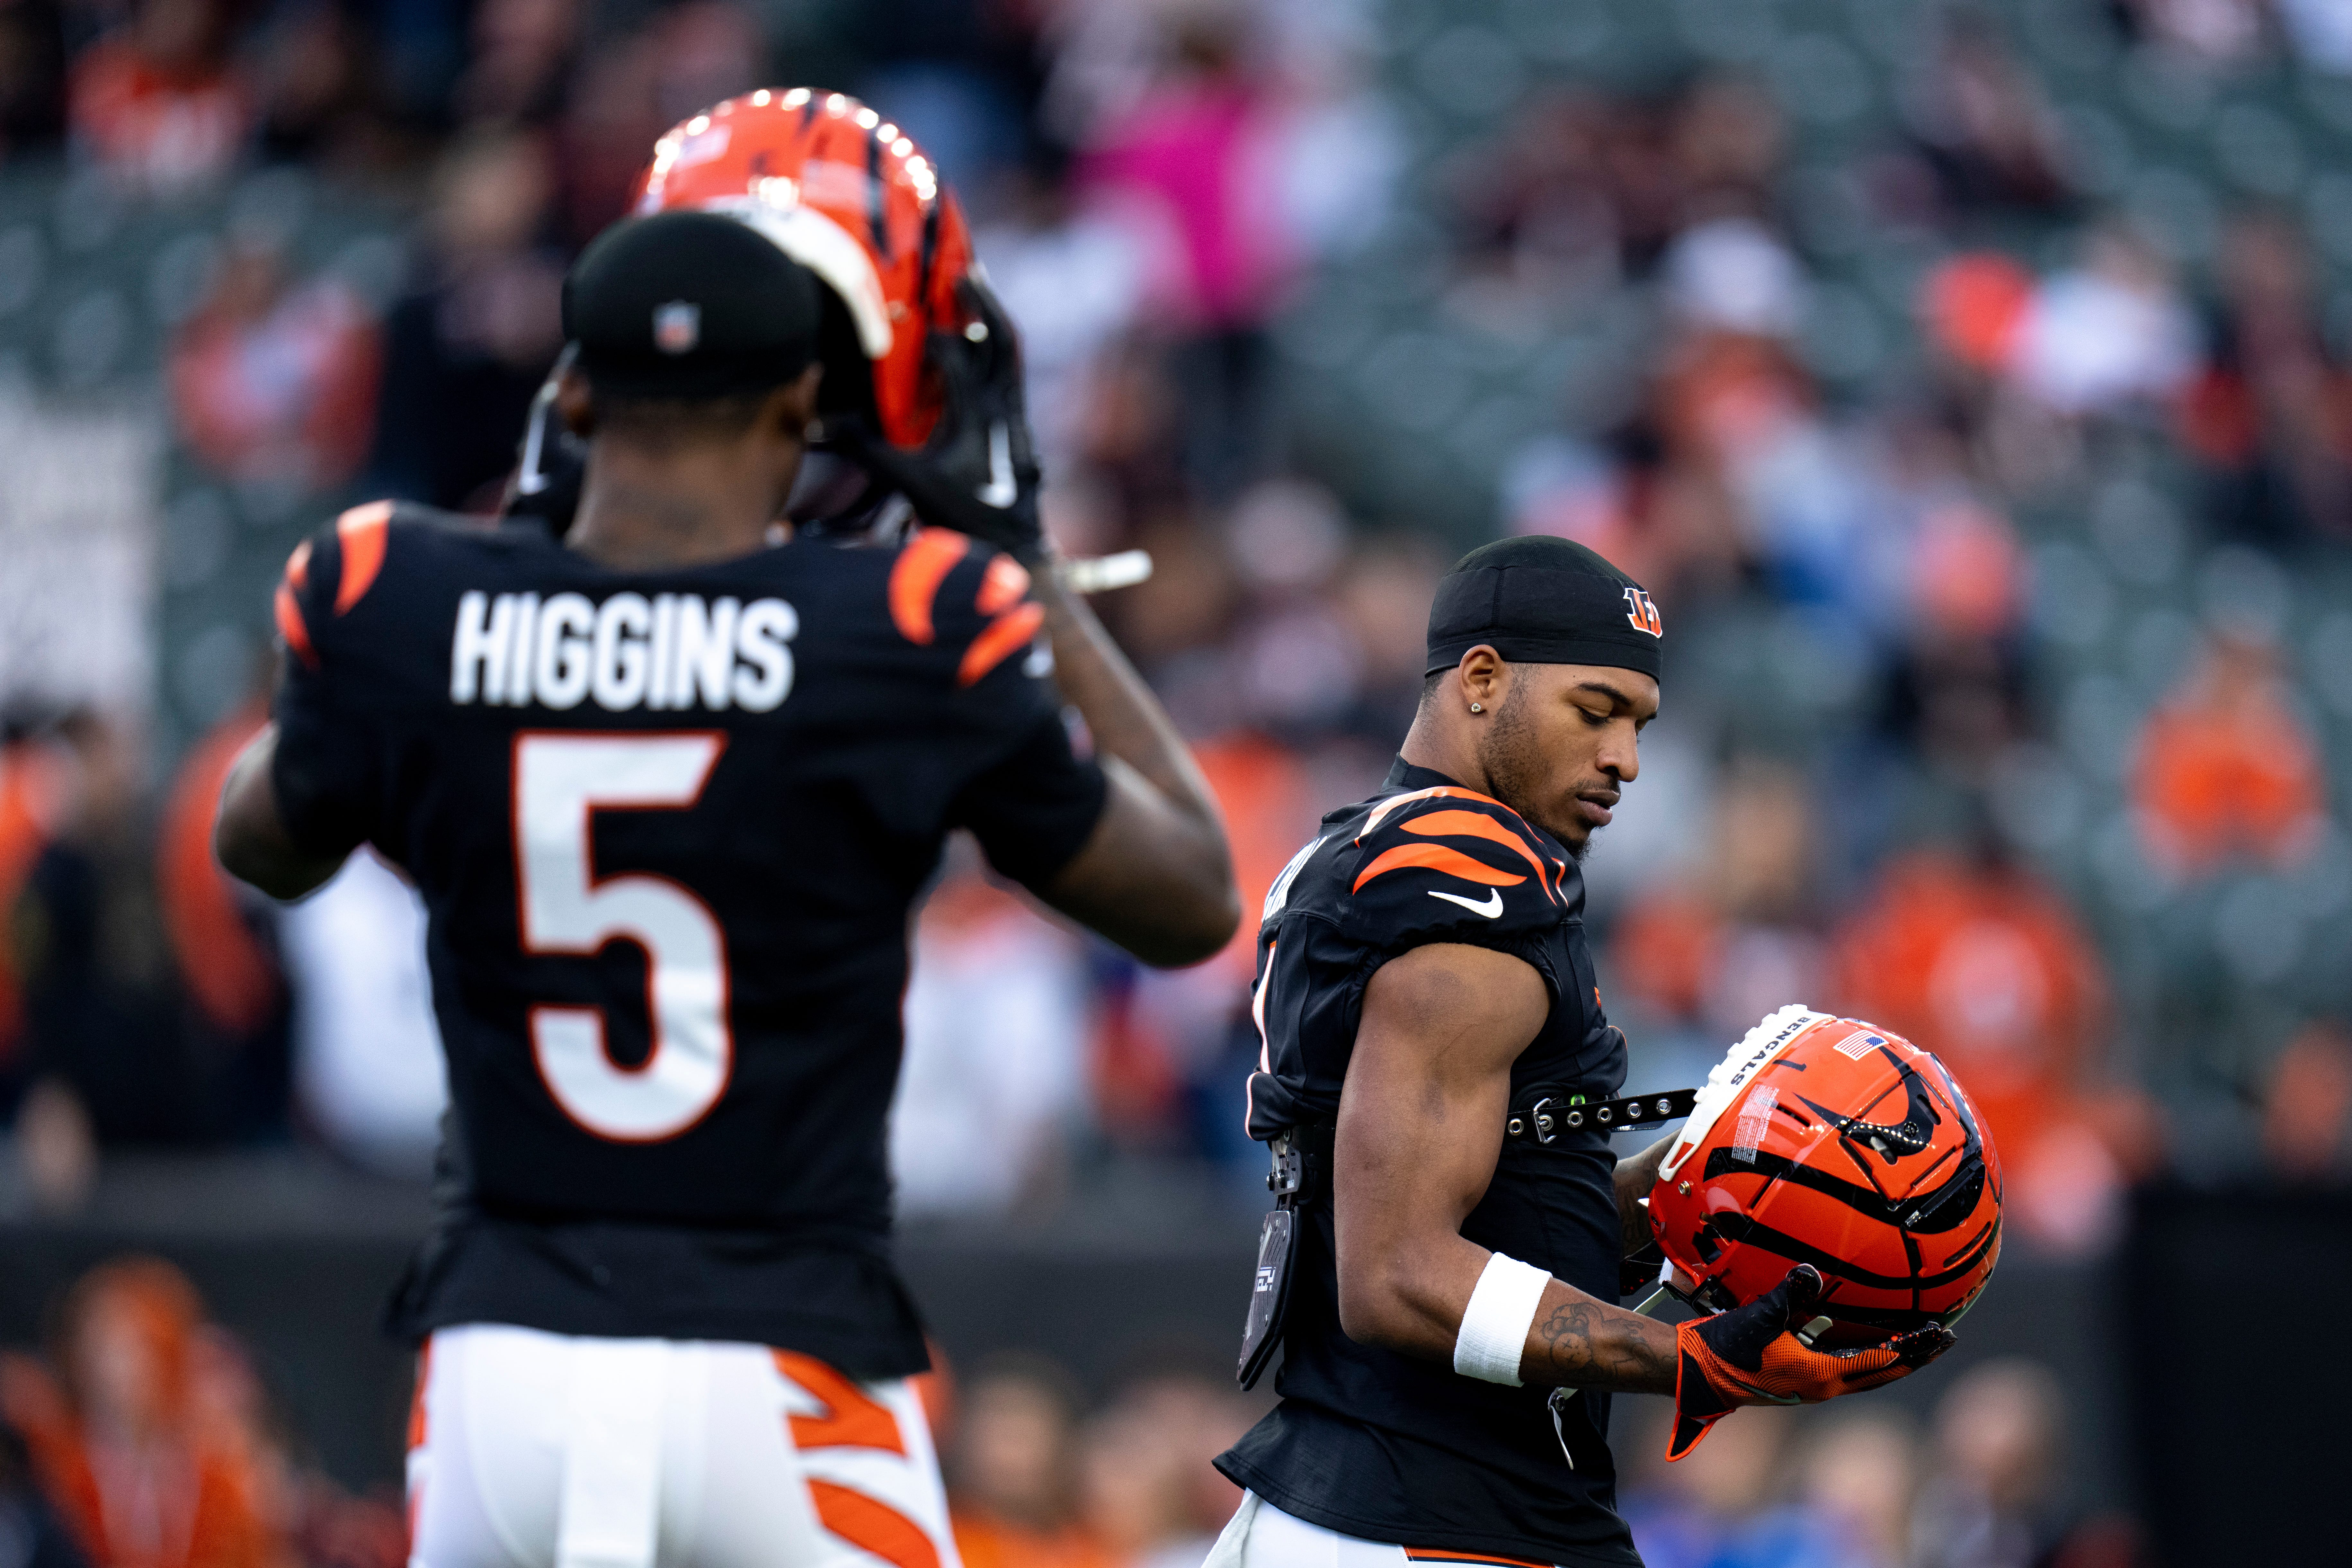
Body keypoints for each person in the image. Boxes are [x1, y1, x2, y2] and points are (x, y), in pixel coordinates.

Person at [212, 206, 1238, 1568]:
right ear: (806, 402)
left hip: (501, 1373)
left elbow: (260, 836)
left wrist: (516, 562)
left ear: (570, 390)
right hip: (785, 1361)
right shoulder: (904, 625)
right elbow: (1196, 894)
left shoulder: (398, 589)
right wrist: (1025, 570)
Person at [1206, 536, 1950, 1567]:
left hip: (1391, 1506)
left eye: (1639, 725)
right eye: (1594, 711)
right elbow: (1398, 1273)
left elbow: (1473, 1205)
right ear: (1481, 679)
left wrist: (1691, 1187)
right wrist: (1691, 1361)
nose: (1625, 761)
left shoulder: (1366, 844)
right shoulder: (1470, 869)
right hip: (1429, 1522)